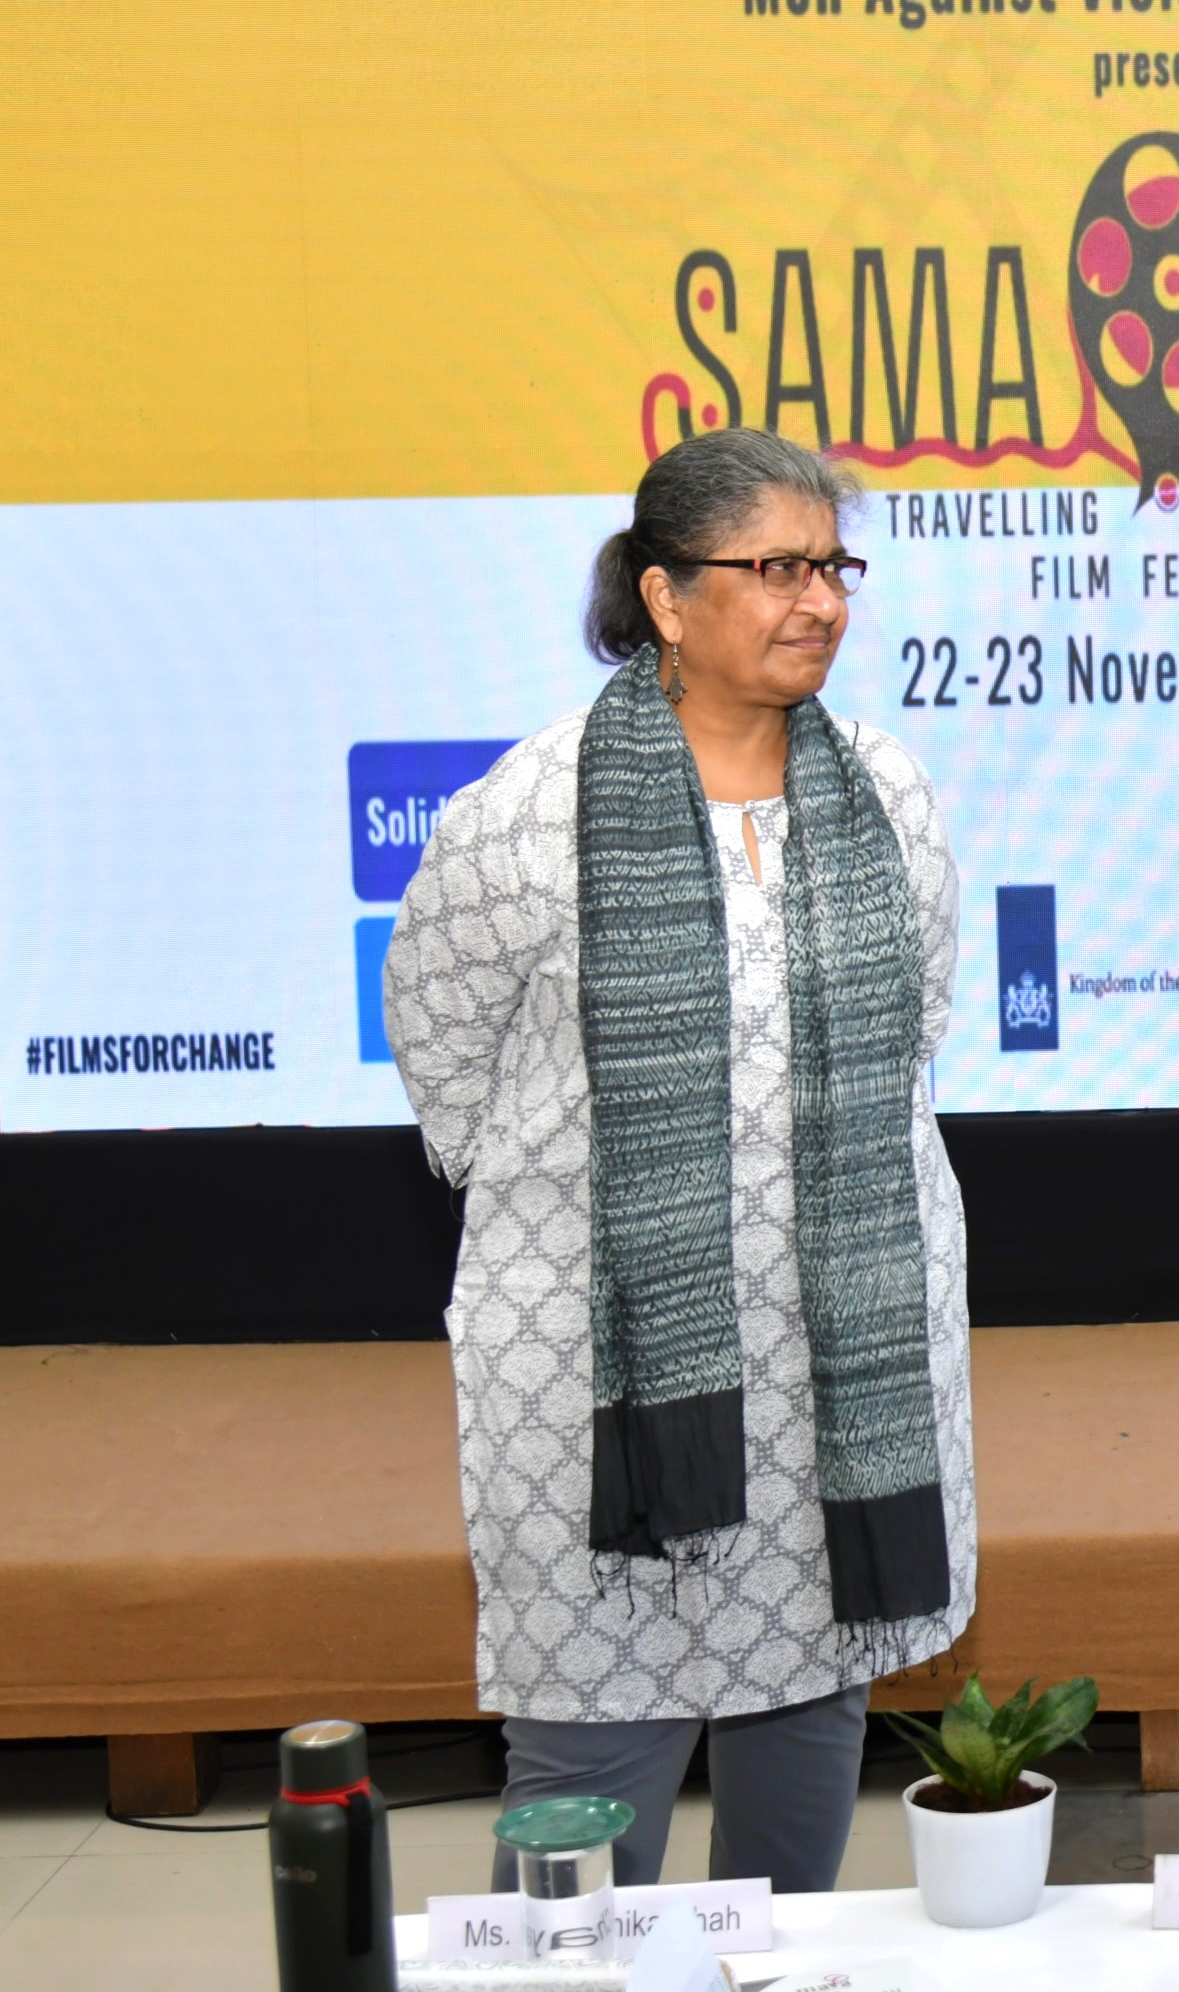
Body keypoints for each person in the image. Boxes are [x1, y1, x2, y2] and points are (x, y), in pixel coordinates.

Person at [383, 427, 970, 1891]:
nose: (819, 601)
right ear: (664, 596)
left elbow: (919, 1024)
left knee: (812, 1702)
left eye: (832, 567)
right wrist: (613, 1216)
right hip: (602, 1376)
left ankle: (781, 1973)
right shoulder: (526, 816)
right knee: (594, 1746)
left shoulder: (886, 794)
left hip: (838, 1357)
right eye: (776, 569)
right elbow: (442, 1053)